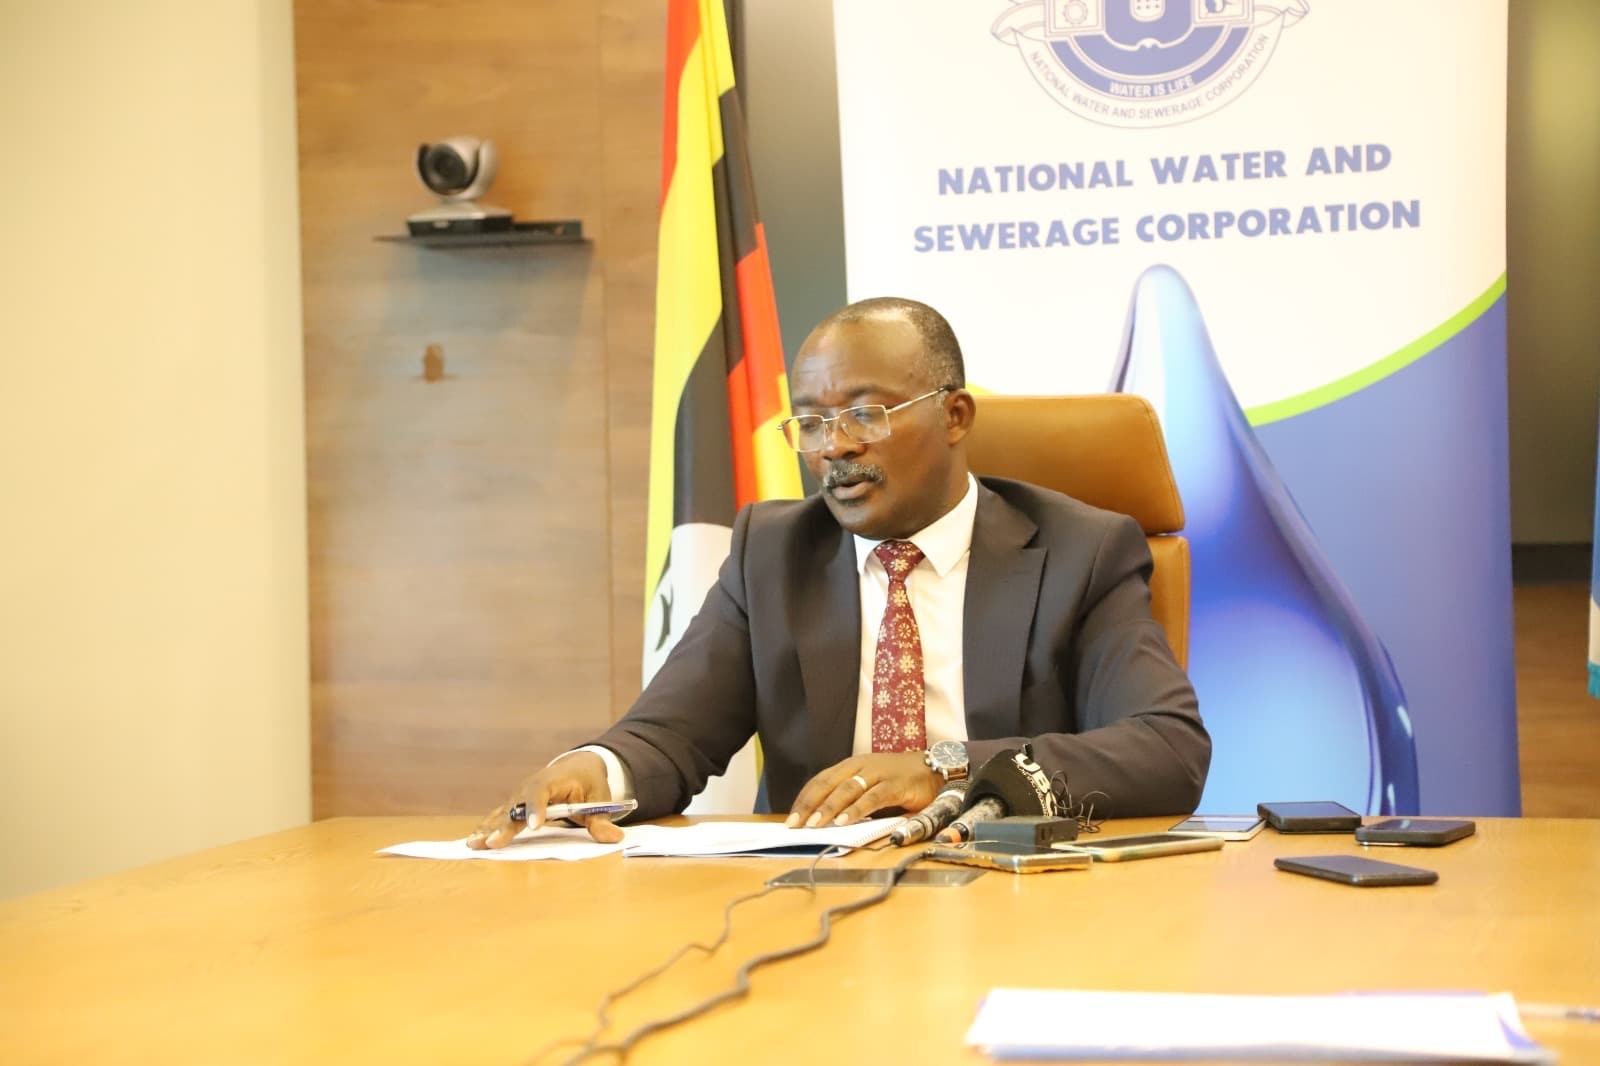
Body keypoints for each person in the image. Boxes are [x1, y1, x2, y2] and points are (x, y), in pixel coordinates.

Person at [468, 297, 1209, 848]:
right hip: (820, 892)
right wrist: (595, 770)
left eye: (865, 414)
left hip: (1013, 888)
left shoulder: (1081, 551)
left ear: (955, 416)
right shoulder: (772, 553)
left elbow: (1167, 748)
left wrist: (945, 767)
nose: (834, 448)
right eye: (813, 424)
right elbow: (669, 735)